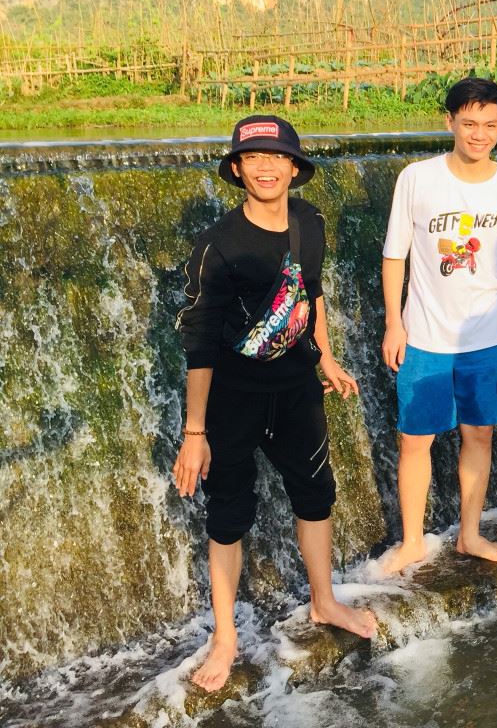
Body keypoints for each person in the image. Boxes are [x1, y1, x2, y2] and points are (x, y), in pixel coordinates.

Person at [174, 115, 376, 693]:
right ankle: (225, 638)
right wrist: (194, 433)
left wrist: (326, 357)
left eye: (277, 157)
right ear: (238, 169)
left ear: (294, 167)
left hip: (295, 392)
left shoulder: (309, 222)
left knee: (316, 495)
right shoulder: (218, 244)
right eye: (254, 158)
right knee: (228, 515)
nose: (266, 167)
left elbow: (311, 293)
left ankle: (323, 601)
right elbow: (200, 344)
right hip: (232, 401)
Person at [378, 78, 497, 573]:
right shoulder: (417, 179)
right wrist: (393, 324)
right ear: (449, 121)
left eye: (490, 125)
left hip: (488, 338)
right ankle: (412, 541)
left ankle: (469, 535)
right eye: (469, 123)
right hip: (425, 336)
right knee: (415, 439)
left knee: (480, 436)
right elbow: (394, 256)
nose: (479, 134)